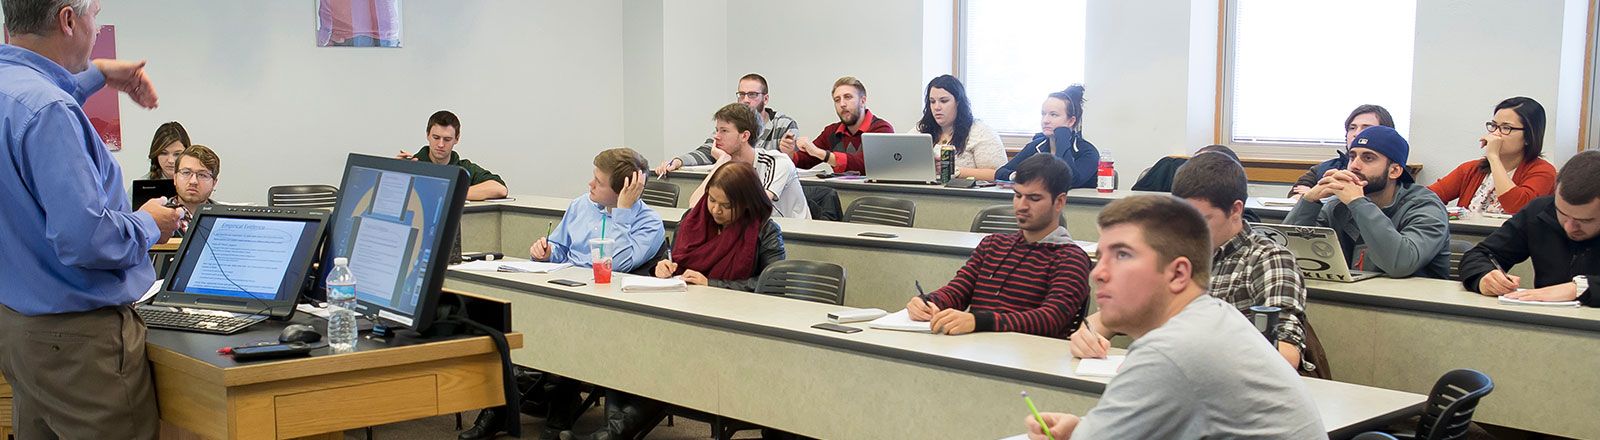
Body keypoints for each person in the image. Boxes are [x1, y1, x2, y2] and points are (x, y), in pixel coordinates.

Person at [0, 0, 180, 438]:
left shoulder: (13, 90)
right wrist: (148, 222)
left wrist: (96, 75)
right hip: (80, 346)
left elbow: (34, 112)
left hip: (21, 330)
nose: (96, 29)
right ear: (67, 19)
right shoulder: (49, 111)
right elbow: (84, 240)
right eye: (94, 15)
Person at [1026, 195, 1323, 439]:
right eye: (1100, 257)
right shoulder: (1212, 319)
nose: (1098, 273)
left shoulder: (1170, 350)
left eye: (1122, 255)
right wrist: (1081, 430)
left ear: (1178, 274)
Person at [562, 163, 790, 440]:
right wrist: (660, 268)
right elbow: (673, 261)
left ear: (745, 203)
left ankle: (609, 435)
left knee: (666, 362)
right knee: (632, 347)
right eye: (712, 201)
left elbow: (773, 285)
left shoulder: (764, 231)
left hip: (731, 330)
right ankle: (610, 433)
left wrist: (713, 284)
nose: (715, 210)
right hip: (681, 315)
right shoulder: (692, 221)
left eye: (726, 205)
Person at [1072, 153, 1310, 371]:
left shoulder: (1268, 259)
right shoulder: (1167, 253)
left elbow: (1287, 356)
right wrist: (1087, 336)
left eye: (1200, 219)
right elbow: (1107, 319)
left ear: (1236, 210)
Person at [905, 154, 1091, 337]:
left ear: (1059, 202)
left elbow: (1051, 319)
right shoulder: (992, 245)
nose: (1021, 206)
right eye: (1018, 195)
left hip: (1030, 359)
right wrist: (928, 302)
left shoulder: (1071, 259)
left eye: (1034, 198)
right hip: (977, 351)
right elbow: (957, 291)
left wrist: (979, 321)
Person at [1284, 125, 1451, 279]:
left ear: (1394, 171)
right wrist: (1308, 202)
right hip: (1353, 302)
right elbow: (1283, 258)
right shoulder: (1337, 206)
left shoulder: (1426, 206)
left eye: (1368, 158)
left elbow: (1400, 264)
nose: (1354, 166)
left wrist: (1358, 202)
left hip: (1413, 307)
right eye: (1352, 156)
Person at [1459, 150, 1600, 306]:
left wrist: (1579, 288)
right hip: (1543, 321)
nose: (1569, 227)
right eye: (1562, 213)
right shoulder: (1539, 211)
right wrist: (1485, 276)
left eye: (1584, 220)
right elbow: (1479, 255)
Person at [529, 147, 666, 273]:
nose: (590, 184)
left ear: (622, 190)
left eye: (599, 182)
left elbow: (618, 266)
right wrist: (548, 253)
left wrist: (622, 211)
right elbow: (560, 248)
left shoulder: (650, 223)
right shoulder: (581, 204)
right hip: (568, 281)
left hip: (606, 292)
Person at [1427, 97, 1557, 215]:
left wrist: (1494, 157)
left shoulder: (1543, 171)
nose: (1495, 134)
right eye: (1494, 126)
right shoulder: (1471, 169)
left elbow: (1518, 208)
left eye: (1506, 128)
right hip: (1469, 237)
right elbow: (1424, 197)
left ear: (1529, 136)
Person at [654, 73, 802, 176]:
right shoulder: (731, 122)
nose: (745, 100)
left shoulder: (783, 124)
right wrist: (678, 161)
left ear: (766, 99)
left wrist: (789, 153)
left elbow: (787, 164)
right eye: (741, 94)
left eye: (752, 95)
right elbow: (706, 151)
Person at [686, 103, 810, 218]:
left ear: (744, 136)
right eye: (717, 130)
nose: (716, 136)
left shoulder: (777, 162)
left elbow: (757, 208)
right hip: (751, 231)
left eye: (724, 131)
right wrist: (720, 162)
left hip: (792, 236)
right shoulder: (727, 164)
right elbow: (694, 206)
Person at [994, 85, 1099, 189]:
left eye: (1053, 115)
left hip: (1077, 205)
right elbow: (1000, 173)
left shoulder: (1087, 152)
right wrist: (1017, 176)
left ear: (1071, 121)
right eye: (1043, 114)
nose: (1045, 120)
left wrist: (1062, 136)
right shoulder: (1036, 146)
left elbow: (1069, 181)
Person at [786, 76, 894, 174]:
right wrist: (789, 153)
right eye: (837, 100)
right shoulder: (831, 132)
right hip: (842, 192)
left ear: (862, 101)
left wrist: (822, 154)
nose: (842, 104)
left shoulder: (882, 129)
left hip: (876, 193)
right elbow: (806, 160)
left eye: (848, 97)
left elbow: (865, 164)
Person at [396, 110, 508, 201]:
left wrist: (450, 194)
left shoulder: (464, 168)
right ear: (427, 135)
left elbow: (500, 189)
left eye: (447, 139)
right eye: (436, 138)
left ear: (457, 139)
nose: (440, 144)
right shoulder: (413, 165)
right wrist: (394, 171)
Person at [1289, 104, 1395, 198]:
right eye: (1352, 128)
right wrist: (1313, 196)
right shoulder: (1324, 169)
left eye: (1366, 128)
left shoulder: (1393, 172)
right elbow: (1295, 195)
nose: (1356, 133)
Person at [916, 74, 1005, 180]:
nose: (936, 107)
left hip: (966, 195)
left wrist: (954, 170)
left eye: (944, 101)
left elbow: (998, 174)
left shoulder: (980, 132)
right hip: (922, 193)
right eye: (932, 101)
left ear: (958, 102)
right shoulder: (921, 130)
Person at [172, 144, 221, 233]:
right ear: (175, 178)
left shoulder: (224, 217)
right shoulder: (157, 217)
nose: (193, 181)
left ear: (214, 183)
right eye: (186, 173)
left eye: (202, 175)